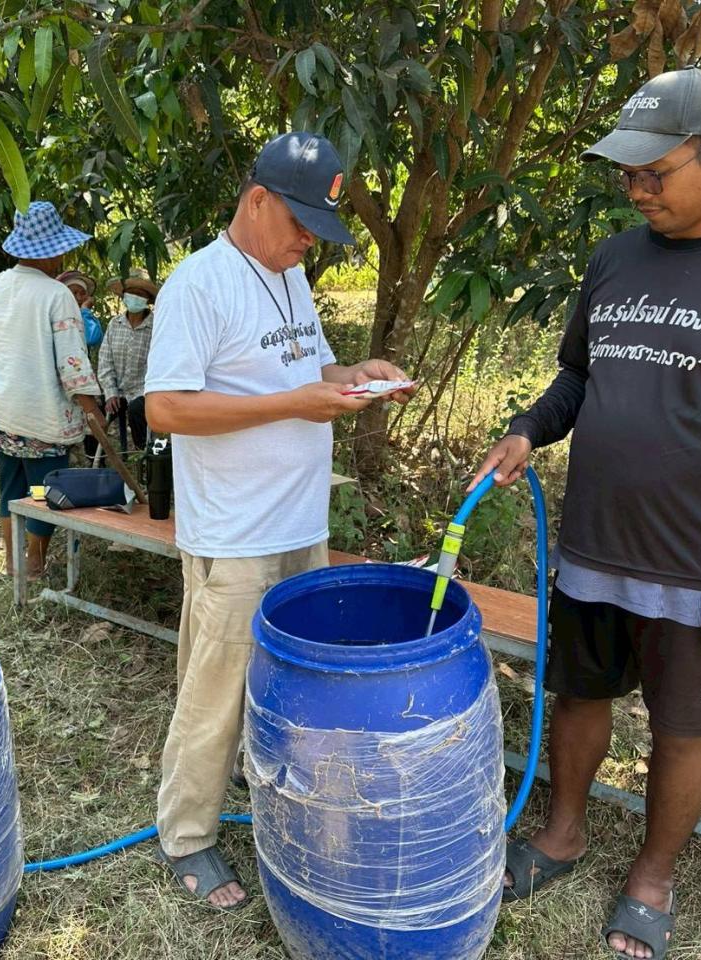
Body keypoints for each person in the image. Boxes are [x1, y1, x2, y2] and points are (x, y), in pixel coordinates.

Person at [471, 68, 701, 959]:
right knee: (579, 695)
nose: (639, 191)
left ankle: (652, 874)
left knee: (684, 728)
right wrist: (529, 430)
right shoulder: (615, 258)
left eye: (656, 173)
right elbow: (579, 376)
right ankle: (562, 833)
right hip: (596, 544)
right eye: (628, 176)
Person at [144, 131, 414, 910]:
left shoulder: (288, 278)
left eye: (316, 232)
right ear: (256, 199)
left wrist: (353, 376)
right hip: (235, 532)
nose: (306, 244)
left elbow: (304, 370)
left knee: (287, 676)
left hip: (300, 522)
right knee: (215, 687)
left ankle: (257, 783)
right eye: (299, 225)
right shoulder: (199, 284)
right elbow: (165, 407)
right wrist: (294, 403)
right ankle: (187, 835)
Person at [0, 202, 104, 580]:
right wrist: (91, 408)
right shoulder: (55, 294)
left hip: (0, 409)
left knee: (10, 487)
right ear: (51, 251)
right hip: (39, 413)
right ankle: (33, 563)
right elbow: (72, 361)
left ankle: (12, 561)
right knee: (44, 491)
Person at [98, 270, 159, 451]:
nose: (135, 298)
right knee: (93, 414)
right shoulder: (114, 324)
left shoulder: (155, 326)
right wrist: (110, 392)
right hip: (117, 389)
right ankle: (94, 461)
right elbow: (105, 359)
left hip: (143, 390)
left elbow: (158, 363)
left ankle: (144, 455)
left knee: (137, 410)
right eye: (132, 293)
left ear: (147, 300)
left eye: (140, 295)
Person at [58, 270, 104, 349]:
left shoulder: (86, 316)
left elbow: (92, 338)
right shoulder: (57, 316)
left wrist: (85, 311)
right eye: (74, 293)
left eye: (82, 293)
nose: (79, 298)